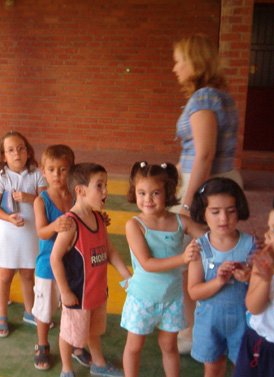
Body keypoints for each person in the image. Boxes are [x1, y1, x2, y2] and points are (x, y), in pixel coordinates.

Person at [171, 34, 243, 353]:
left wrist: (187, 203)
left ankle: (192, 333)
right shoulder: (221, 96)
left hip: (205, 188)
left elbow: (204, 154)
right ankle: (218, 329)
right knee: (219, 258)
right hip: (217, 184)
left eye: (179, 60)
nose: (174, 67)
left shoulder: (203, 98)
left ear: (195, 62)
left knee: (190, 260)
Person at [121, 161, 206, 377]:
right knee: (134, 346)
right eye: (142, 193)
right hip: (142, 298)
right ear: (134, 193)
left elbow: (208, 237)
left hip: (172, 298)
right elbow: (147, 263)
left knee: (169, 346)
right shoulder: (134, 225)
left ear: (167, 192)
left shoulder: (180, 221)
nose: (147, 199)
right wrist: (183, 258)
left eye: (155, 193)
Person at [51, 163, 131, 377]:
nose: (106, 191)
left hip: (97, 293)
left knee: (93, 332)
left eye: (106, 185)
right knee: (69, 334)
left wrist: (127, 276)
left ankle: (98, 362)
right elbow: (55, 258)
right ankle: (66, 369)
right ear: (80, 190)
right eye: (99, 186)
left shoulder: (98, 219)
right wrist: (65, 291)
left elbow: (110, 250)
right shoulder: (71, 223)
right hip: (77, 295)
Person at [188, 177, 255, 377]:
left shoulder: (251, 244)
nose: (223, 219)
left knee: (243, 369)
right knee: (213, 368)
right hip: (210, 323)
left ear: (239, 209)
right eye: (215, 212)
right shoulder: (199, 247)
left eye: (231, 211)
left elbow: (262, 286)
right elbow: (193, 291)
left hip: (244, 321)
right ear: (203, 213)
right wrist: (219, 281)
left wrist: (249, 277)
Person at [32, 144, 89, 370]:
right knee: (45, 309)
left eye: (63, 169)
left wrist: (100, 221)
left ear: (71, 170)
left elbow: (86, 219)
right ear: (43, 171)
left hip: (74, 264)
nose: (57, 174)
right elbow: (41, 231)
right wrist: (54, 225)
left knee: (74, 307)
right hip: (48, 265)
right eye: (52, 169)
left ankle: (75, 343)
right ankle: (42, 343)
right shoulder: (41, 200)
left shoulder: (77, 196)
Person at [0, 131, 47, 337]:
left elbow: (46, 200)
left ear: (28, 151)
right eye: (11, 150)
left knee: (27, 274)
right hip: (9, 235)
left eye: (21, 148)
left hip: (31, 234)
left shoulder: (37, 174)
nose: (17, 154)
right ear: (4, 156)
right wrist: (8, 217)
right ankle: (2, 315)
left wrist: (31, 198)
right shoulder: (1, 177)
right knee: (5, 276)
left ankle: (30, 311)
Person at [234, 198, 274, 377]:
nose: (267, 235)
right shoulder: (264, 262)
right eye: (270, 228)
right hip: (258, 344)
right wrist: (265, 280)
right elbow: (253, 306)